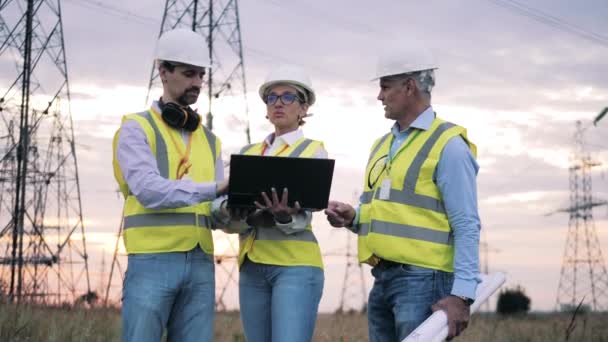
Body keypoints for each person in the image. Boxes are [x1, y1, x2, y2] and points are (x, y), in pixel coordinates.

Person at [324, 47, 481, 341]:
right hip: (383, 279)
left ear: (409, 87)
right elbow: (388, 212)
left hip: (424, 280)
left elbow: (467, 224)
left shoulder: (449, 145)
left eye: (385, 87)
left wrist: (462, 296)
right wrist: (353, 217)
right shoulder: (381, 145)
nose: (379, 96)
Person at [112, 28, 228, 342]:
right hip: (152, 259)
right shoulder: (136, 129)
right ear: (163, 72)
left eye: (201, 75)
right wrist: (215, 188)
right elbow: (148, 190)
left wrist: (241, 207)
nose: (198, 83)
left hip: (201, 262)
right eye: (189, 74)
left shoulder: (210, 141)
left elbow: (216, 212)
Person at [220, 64, 327, 342]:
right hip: (252, 267)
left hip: (295, 267)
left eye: (288, 97)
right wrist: (244, 215)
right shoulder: (247, 154)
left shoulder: (313, 151)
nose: (279, 103)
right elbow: (223, 212)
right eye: (272, 97)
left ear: (304, 109)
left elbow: (306, 211)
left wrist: (282, 217)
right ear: (266, 108)